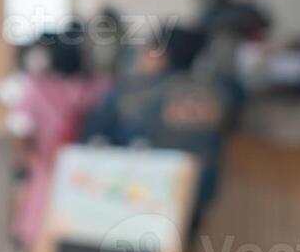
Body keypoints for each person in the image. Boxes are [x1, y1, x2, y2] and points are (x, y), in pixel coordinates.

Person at [84, 26, 240, 241]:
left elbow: (94, 136)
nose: (139, 56)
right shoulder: (219, 91)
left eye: (145, 49)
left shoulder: (131, 92)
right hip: (195, 194)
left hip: (138, 196)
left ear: (160, 55)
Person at [9, 31, 111, 245]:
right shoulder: (99, 88)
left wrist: (32, 161)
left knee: (38, 242)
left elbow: (21, 132)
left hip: (48, 174)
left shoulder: (36, 88)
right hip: (90, 180)